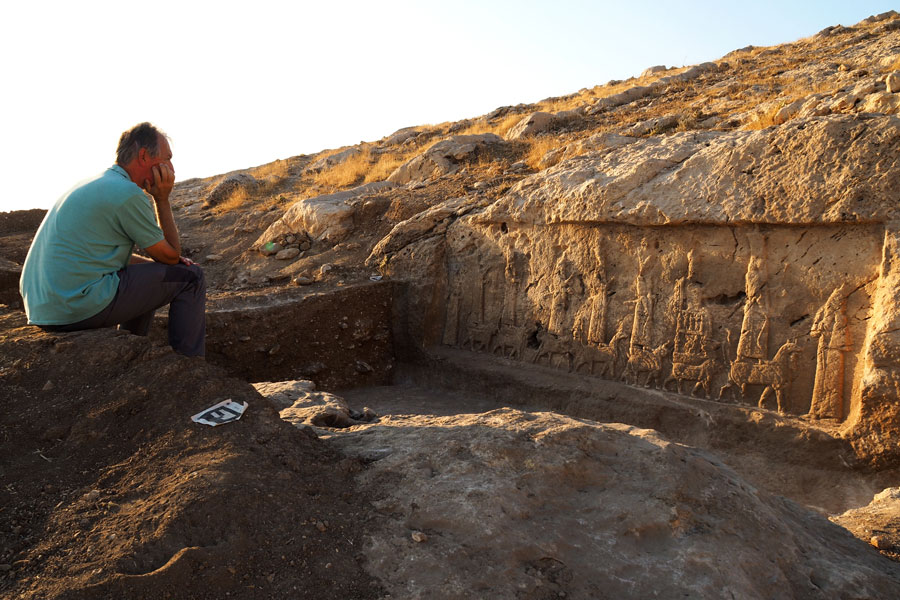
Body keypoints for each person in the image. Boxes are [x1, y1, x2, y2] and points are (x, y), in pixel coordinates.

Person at [19, 122, 205, 356]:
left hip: (44, 309)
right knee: (191, 277)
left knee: (149, 276)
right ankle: (190, 368)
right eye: (167, 159)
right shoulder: (128, 193)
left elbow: (99, 256)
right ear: (144, 156)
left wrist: (157, 266)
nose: (171, 168)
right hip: (74, 306)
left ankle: (131, 350)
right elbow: (171, 255)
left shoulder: (93, 184)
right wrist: (162, 199)